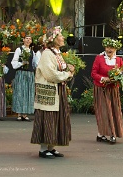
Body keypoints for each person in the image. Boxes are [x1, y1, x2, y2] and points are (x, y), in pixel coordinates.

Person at [30, 26, 75, 159]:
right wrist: (67, 73)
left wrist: (69, 69)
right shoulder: (47, 53)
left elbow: (60, 69)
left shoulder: (56, 53)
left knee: (57, 117)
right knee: (48, 117)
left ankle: (51, 146)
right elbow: (50, 74)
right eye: (60, 36)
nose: (63, 38)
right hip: (49, 91)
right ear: (53, 39)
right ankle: (43, 149)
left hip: (58, 90)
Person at [91, 38, 123, 144]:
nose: (109, 49)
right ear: (105, 47)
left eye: (112, 47)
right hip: (101, 89)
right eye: (108, 47)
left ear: (115, 48)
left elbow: (121, 73)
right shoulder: (99, 58)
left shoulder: (119, 60)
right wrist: (103, 78)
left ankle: (104, 134)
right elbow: (93, 73)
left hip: (113, 89)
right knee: (104, 112)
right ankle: (107, 133)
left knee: (114, 111)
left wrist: (117, 78)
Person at [11, 34, 38, 121]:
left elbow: (34, 64)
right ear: (23, 40)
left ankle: (25, 114)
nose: (28, 40)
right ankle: (19, 113)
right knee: (20, 92)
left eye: (30, 39)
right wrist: (22, 63)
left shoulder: (32, 52)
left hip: (29, 74)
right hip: (21, 73)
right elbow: (14, 62)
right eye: (27, 38)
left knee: (28, 93)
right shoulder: (19, 49)